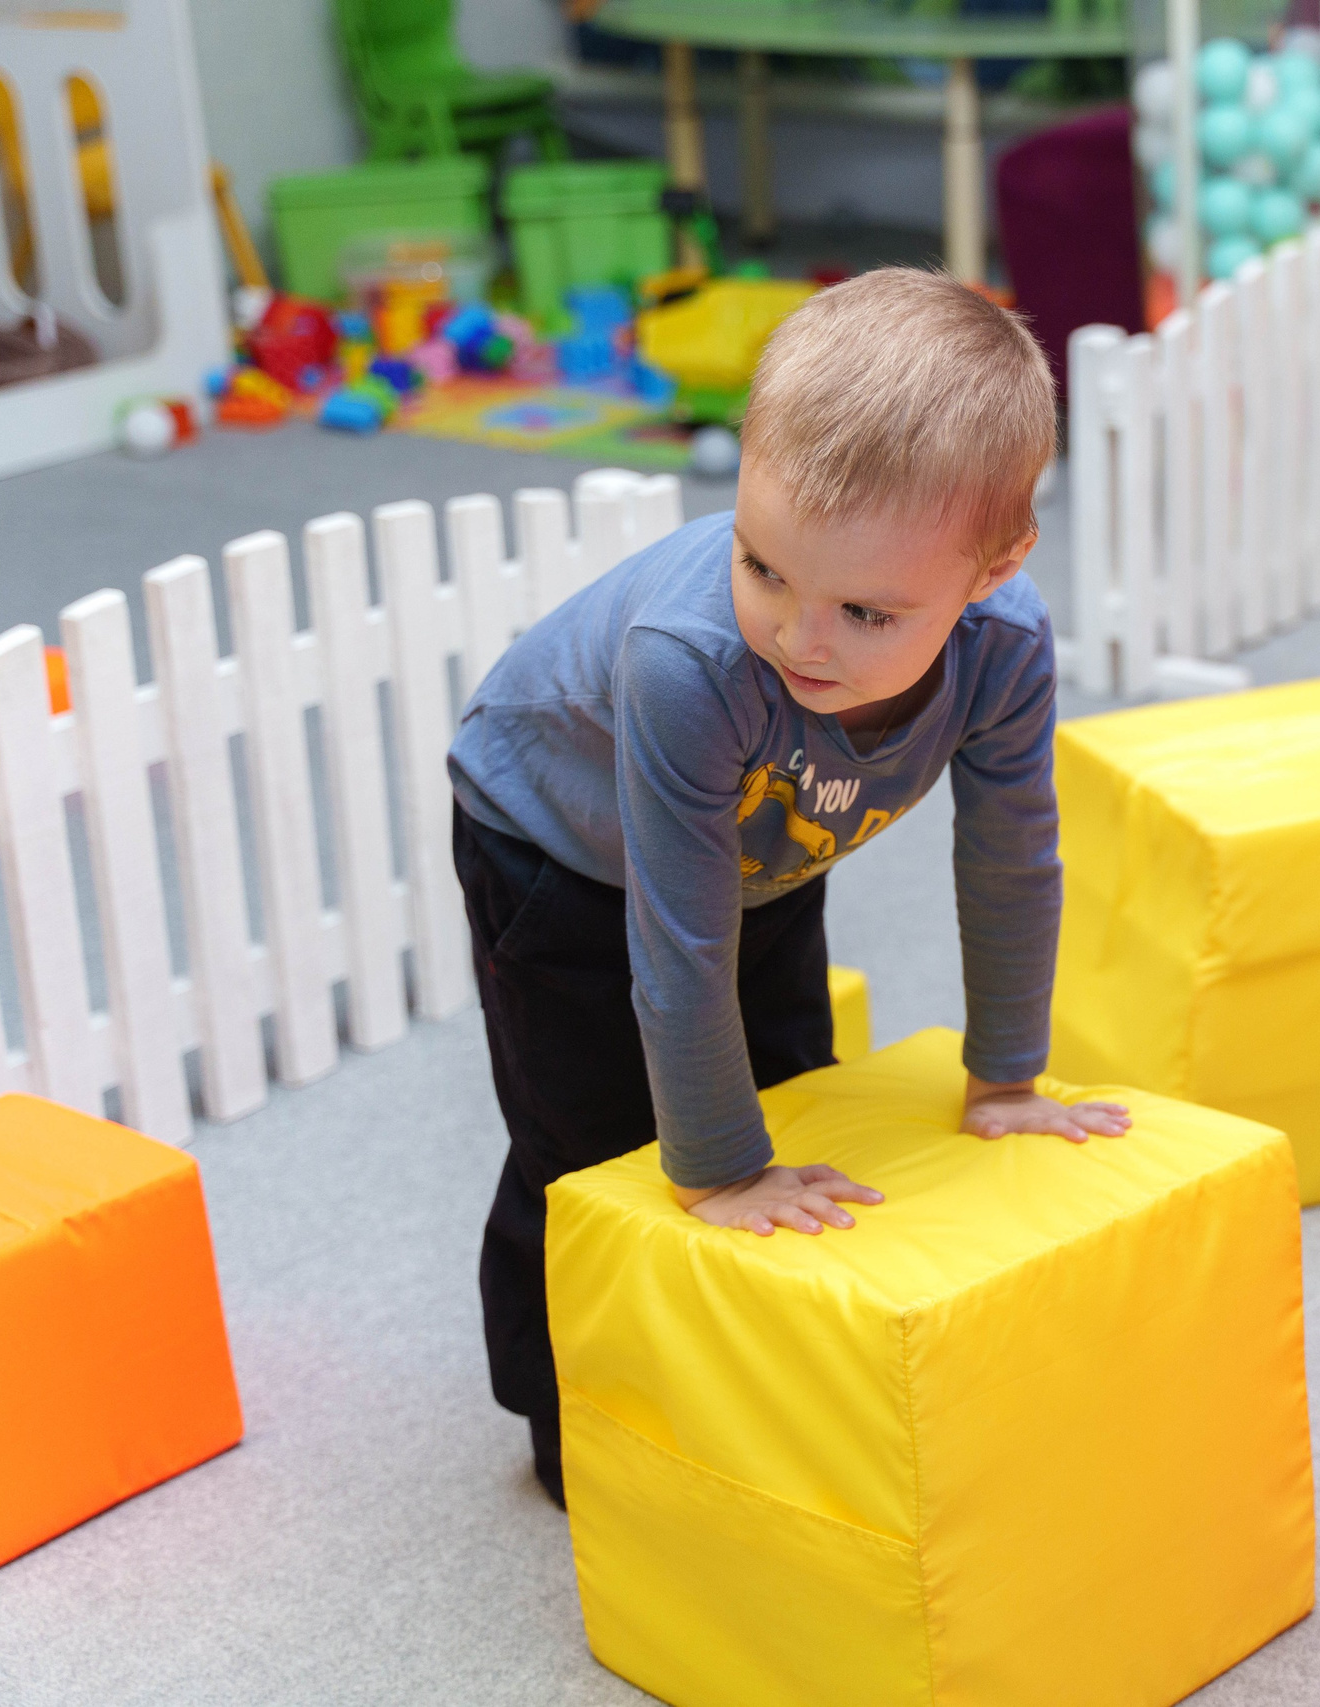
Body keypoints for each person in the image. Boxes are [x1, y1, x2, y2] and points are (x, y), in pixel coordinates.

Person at [447, 269, 1130, 1505]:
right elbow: (676, 948)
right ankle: (565, 1418)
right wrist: (711, 1167)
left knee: (798, 1100)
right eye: (764, 570)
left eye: (866, 611)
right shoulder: (691, 662)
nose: (803, 639)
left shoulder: (1006, 647)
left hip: (768, 848)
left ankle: (761, 1378)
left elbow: (1012, 854)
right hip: (557, 846)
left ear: (996, 564)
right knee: (593, 1141)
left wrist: (1007, 1077)